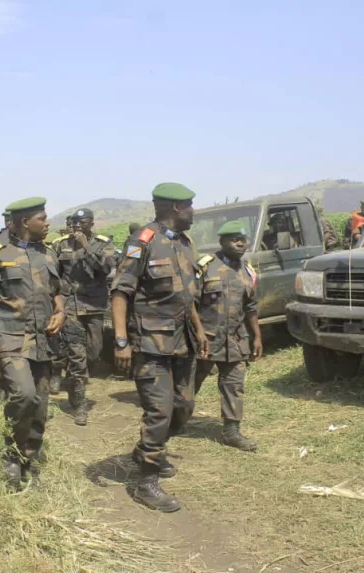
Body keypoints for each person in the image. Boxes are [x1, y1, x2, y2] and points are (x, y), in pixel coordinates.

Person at [111, 182, 209, 513]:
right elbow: (120, 292)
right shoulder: (142, 242)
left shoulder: (184, 243)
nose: (194, 211)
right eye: (190, 206)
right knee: (159, 410)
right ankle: (146, 481)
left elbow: (186, 294)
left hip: (183, 342)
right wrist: (122, 341)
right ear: (175, 209)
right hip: (151, 344)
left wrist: (199, 329)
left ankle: (149, 449)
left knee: (185, 406)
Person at [0, 197, 66, 490]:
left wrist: (61, 312)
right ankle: (11, 454)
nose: (48, 222)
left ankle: (30, 457)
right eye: (42, 218)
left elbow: (57, 292)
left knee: (39, 405)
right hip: (10, 339)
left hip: (43, 342)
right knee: (23, 395)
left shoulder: (50, 254)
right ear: (26, 222)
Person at [193, 221, 262, 452]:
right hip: (206, 340)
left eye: (243, 238)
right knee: (190, 383)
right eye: (234, 238)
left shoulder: (248, 271)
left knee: (234, 385)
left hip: (235, 340)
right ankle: (174, 420)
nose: (241, 243)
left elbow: (251, 308)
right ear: (221, 242)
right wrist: (198, 333)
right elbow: (190, 304)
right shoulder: (205, 267)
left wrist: (257, 337)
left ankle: (232, 431)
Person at [50, 208, 116, 425]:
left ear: (92, 223)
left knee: (94, 354)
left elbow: (107, 268)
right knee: (77, 357)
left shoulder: (102, 243)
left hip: (94, 306)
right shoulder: (61, 244)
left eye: (83, 222)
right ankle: (79, 404)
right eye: (75, 222)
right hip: (70, 307)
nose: (78, 226)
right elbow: (53, 273)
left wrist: (87, 247)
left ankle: (72, 380)